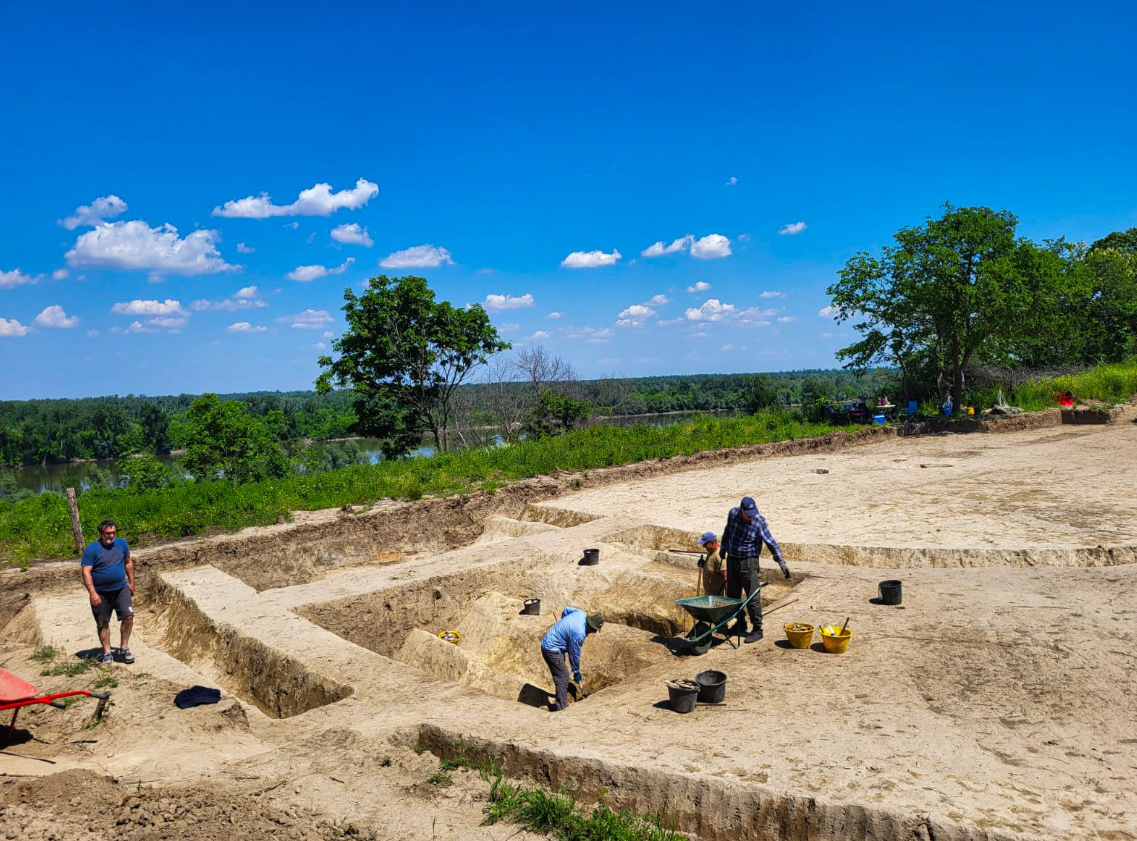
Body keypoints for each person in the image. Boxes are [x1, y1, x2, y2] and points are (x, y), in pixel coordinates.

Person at [721, 496, 790, 644]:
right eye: (748, 513)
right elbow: (727, 531)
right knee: (732, 596)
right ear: (741, 510)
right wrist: (723, 548)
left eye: (753, 512)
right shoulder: (733, 514)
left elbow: (771, 542)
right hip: (732, 560)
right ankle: (739, 623)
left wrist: (781, 562)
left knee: (752, 598)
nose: (751, 516)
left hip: (749, 562)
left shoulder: (759, 521)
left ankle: (757, 629)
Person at [81, 519, 136, 665]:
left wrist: (132, 583)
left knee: (128, 616)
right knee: (103, 623)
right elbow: (86, 572)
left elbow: (128, 563)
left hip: (121, 588)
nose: (111, 536)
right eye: (107, 533)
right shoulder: (91, 549)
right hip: (101, 592)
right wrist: (93, 593)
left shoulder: (122, 544)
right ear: (100, 533)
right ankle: (107, 652)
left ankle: (124, 648)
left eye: (113, 533)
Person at [540, 607, 603, 711]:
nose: (594, 632)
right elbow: (574, 655)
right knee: (563, 676)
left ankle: (560, 698)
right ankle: (560, 707)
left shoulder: (580, 613)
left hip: (553, 644)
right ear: (591, 626)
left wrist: (563, 626)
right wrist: (576, 671)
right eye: (594, 630)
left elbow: (565, 610)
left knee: (561, 673)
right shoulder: (579, 634)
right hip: (550, 649)